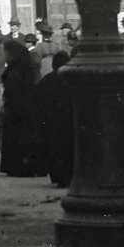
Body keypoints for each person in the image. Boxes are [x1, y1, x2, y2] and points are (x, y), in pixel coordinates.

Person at [0, 38, 45, 177]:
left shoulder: (19, 68)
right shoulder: (20, 66)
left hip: (20, 107)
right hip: (20, 106)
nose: (5, 56)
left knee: (20, 138)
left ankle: (21, 166)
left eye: (6, 53)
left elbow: (17, 88)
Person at [34, 51, 75, 187]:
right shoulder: (73, 79)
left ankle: (60, 178)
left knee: (55, 150)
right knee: (70, 149)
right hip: (70, 120)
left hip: (52, 122)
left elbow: (38, 103)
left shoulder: (47, 80)